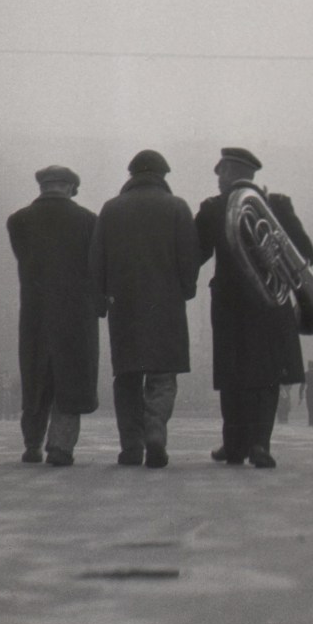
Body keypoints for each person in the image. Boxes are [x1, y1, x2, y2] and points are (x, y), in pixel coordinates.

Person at [196, 147, 313, 469]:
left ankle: (234, 446)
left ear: (231, 172)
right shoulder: (277, 205)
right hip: (270, 306)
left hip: (231, 304)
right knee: (267, 375)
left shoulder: (214, 208)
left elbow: (195, 254)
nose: (218, 179)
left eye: (220, 172)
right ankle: (260, 444)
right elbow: (307, 253)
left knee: (232, 375)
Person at [90, 149, 200, 468]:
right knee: (162, 375)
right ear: (163, 175)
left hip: (123, 307)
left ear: (131, 175)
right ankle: (155, 433)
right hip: (166, 306)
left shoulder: (111, 210)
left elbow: (96, 260)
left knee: (127, 377)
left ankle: (131, 446)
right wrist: (186, 290)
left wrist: (101, 301)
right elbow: (189, 256)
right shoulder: (177, 207)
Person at [6, 165, 101, 466]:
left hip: (35, 313)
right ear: (71, 188)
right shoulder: (89, 221)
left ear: (42, 187)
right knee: (69, 381)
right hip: (76, 315)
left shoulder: (18, 221)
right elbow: (95, 268)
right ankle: (60, 447)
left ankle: (32, 444)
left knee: (36, 379)